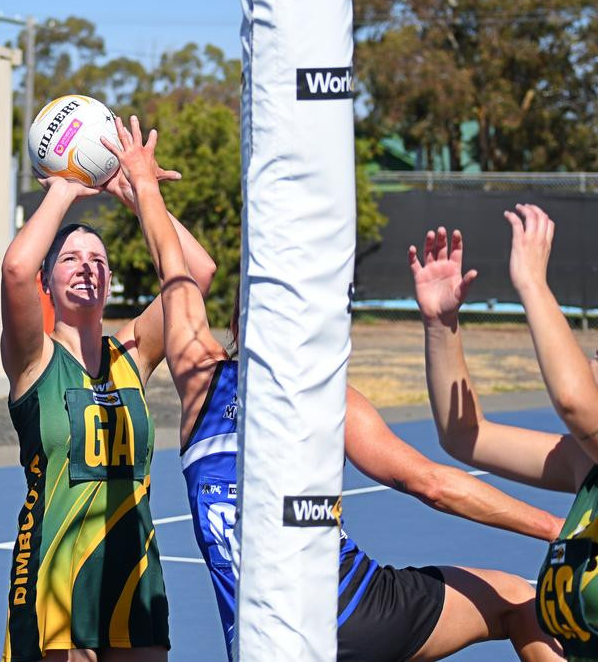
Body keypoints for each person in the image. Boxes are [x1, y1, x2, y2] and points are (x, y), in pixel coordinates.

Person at [104, 116, 564, 661]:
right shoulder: (323, 399)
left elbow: (174, 271)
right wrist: (560, 530)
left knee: (519, 600)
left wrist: (145, 191)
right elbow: (434, 485)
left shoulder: (201, 382)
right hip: (354, 618)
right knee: (523, 601)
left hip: (262, 641)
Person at [0, 135, 216, 662]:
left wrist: (137, 193)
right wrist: (66, 188)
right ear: (47, 284)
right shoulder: (35, 360)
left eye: (97, 258)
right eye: (69, 258)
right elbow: (14, 270)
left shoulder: (134, 356)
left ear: (111, 281)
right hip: (56, 563)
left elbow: (197, 273)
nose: (85, 265)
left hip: (133, 564)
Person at [414, 205, 598, 660]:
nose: (591, 360)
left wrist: (534, 285)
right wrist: (441, 325)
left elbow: (578, 404)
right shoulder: (583, 464)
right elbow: (465, 436)